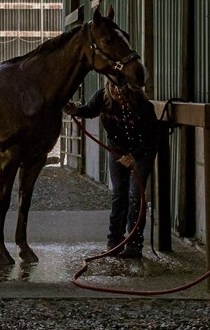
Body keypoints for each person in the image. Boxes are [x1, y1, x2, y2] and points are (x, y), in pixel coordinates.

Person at [66, 79, 167, 258]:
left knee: (136, 195)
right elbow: (90, 110)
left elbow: (152, 137)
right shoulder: (102, 98)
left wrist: (134, 156)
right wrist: (76, 110)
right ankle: (114, 242)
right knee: (119, 193)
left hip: (142, 151)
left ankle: (134, 245)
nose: (114, 90)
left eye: (119, 86)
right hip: (117, 149)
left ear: (128, 87)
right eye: (111, 86)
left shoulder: (142, 105)